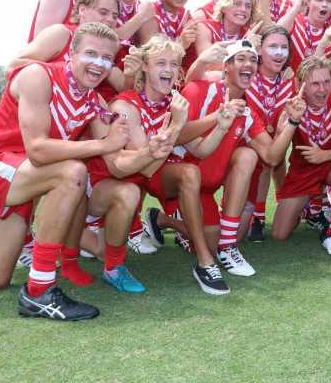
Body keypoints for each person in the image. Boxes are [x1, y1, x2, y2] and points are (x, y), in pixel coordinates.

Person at [0, 22, 127, 320]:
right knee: (72, 172)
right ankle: (39, 290)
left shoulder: (94, 100)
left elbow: (117, 159)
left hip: (22, 179)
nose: (98, 64)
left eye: (107, 58)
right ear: (71, 54)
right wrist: (103, 145)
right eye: (91, 53)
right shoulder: (38, 75)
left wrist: (159, 145)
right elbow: (38, 150)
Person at [87, 34, 235, 294]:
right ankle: (75, 242)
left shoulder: (172, 103)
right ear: (145, 66)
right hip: (105, 185)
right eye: (161, 63)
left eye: (175, 64)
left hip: (140, 182)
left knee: (189, 172)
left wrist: (221, 127)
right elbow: (144, 166)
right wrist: (177, 124)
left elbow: (200, 150)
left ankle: (205, 261)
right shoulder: (125, 105)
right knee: (95, 244)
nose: (169, 70)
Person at [175, 40, 306, 277]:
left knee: (248, 155)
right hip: (176, 179)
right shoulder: (199, 89)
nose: (249, 64)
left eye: (253, 60)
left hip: (204, 185)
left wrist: (292, 123)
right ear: (226, 66)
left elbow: (272, 157)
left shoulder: (246, 112)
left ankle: (226, 245)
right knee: (201, 241)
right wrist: (216, 117)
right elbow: (174, 136)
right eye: (241, 59)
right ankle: (170, 218)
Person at [271, 57, 331, 250]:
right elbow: (274, 156)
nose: (322, 89)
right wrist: (292, 121)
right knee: (279, 234)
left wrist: (326, 155)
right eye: (315, 83)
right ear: (301, 84)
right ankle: (309, 208)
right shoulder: (290, 106)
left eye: (326, 82)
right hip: (303, 170)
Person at [245, 26, 297, 241]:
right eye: (273, 46)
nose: (279, 53)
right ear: (260, 50)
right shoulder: (247, 76)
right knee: (265, 159)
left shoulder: (289, 81)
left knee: (273, 159)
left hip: (270, 138)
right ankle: (256, 214)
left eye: (284, 48)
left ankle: (274, 205)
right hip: (243, 138)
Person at [138, 0, 205, 73]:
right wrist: (181, 44)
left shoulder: (187, 16)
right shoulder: (150, 12)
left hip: (180, 78)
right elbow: (150, 58)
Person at [273, 0, 331, 71]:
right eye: (319, 0)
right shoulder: (295, 21)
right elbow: (274, 34)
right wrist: (295, 8)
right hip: (288, 80)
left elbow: (329, 71)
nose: (324, 4)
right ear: (308, 2)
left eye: (329, 1)